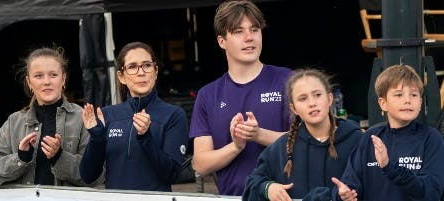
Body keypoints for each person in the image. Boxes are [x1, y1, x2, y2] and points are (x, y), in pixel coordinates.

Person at [189, 0, 293, 195]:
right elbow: (200, 165)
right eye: (238, 31)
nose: (249, 37)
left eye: (254, 29)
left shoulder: (287, 80)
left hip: (286, 196)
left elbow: (310, 141)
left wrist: (258, 134)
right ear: (222, 41)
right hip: (234, 197)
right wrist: (236, 146)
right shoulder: (208, 95)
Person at [0, 47, 100, 186]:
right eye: (38, 76)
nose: (46, 81)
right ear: (29, 82)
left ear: (64, 79)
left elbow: (97, 174)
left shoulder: (82, 119)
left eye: (53, 75)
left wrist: (59, 157)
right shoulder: (14, 121)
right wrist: (21, 158)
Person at [79, 41, 189, 191]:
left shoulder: (174, 115)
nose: (141, 72)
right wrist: (96, 139)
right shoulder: (108, 115)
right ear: (121, 76)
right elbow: (87, 175)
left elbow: (171, 175)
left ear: (156, 72)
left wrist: (145, 137)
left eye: (147, 65)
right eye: (132, 67)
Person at [242, 69, 362, 201]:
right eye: (303, 99)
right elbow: (252, 183)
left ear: (329, 98)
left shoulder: (357, 140)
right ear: (294, 108)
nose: (312, 103)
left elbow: (373, 184)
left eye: (317, 95)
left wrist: (345, 196)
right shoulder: (282, 147)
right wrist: (268, 188)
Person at [332, 64, 444, 201]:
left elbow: (430, 193)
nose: (408, 100)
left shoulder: (431, 138)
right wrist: (344, 195)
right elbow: (352, 184)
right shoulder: (370, 138)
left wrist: (390, 167)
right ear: (383, 103)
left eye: (414, 95)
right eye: (399, 94)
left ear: (420, 102)